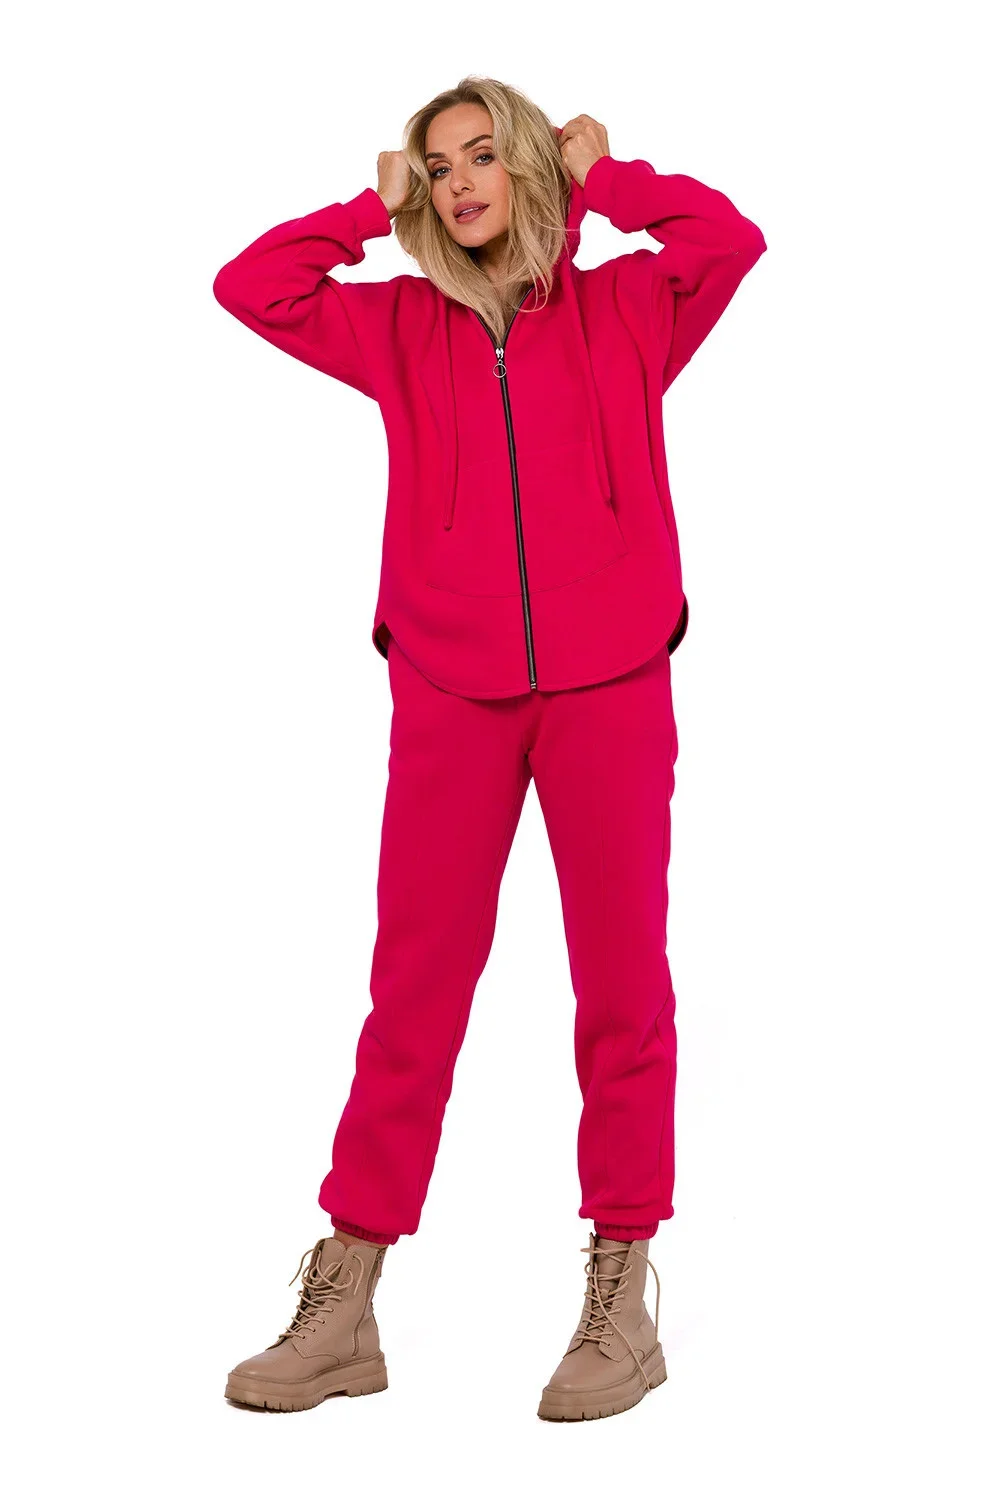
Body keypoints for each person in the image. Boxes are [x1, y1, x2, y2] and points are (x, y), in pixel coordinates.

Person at [212, 75, 766, 1421]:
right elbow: (251, 286)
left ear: (527, 165)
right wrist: (370, 207)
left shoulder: (630, 309)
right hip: (451, 690)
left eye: (482, 156)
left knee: (621, 986)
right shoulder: (398, 327)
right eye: (437, 165)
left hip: (611, 682)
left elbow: (730, 239)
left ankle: (621, 1293)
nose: (459, 183)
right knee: (413, 990)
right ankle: (348, 1294)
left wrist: (604, 178)